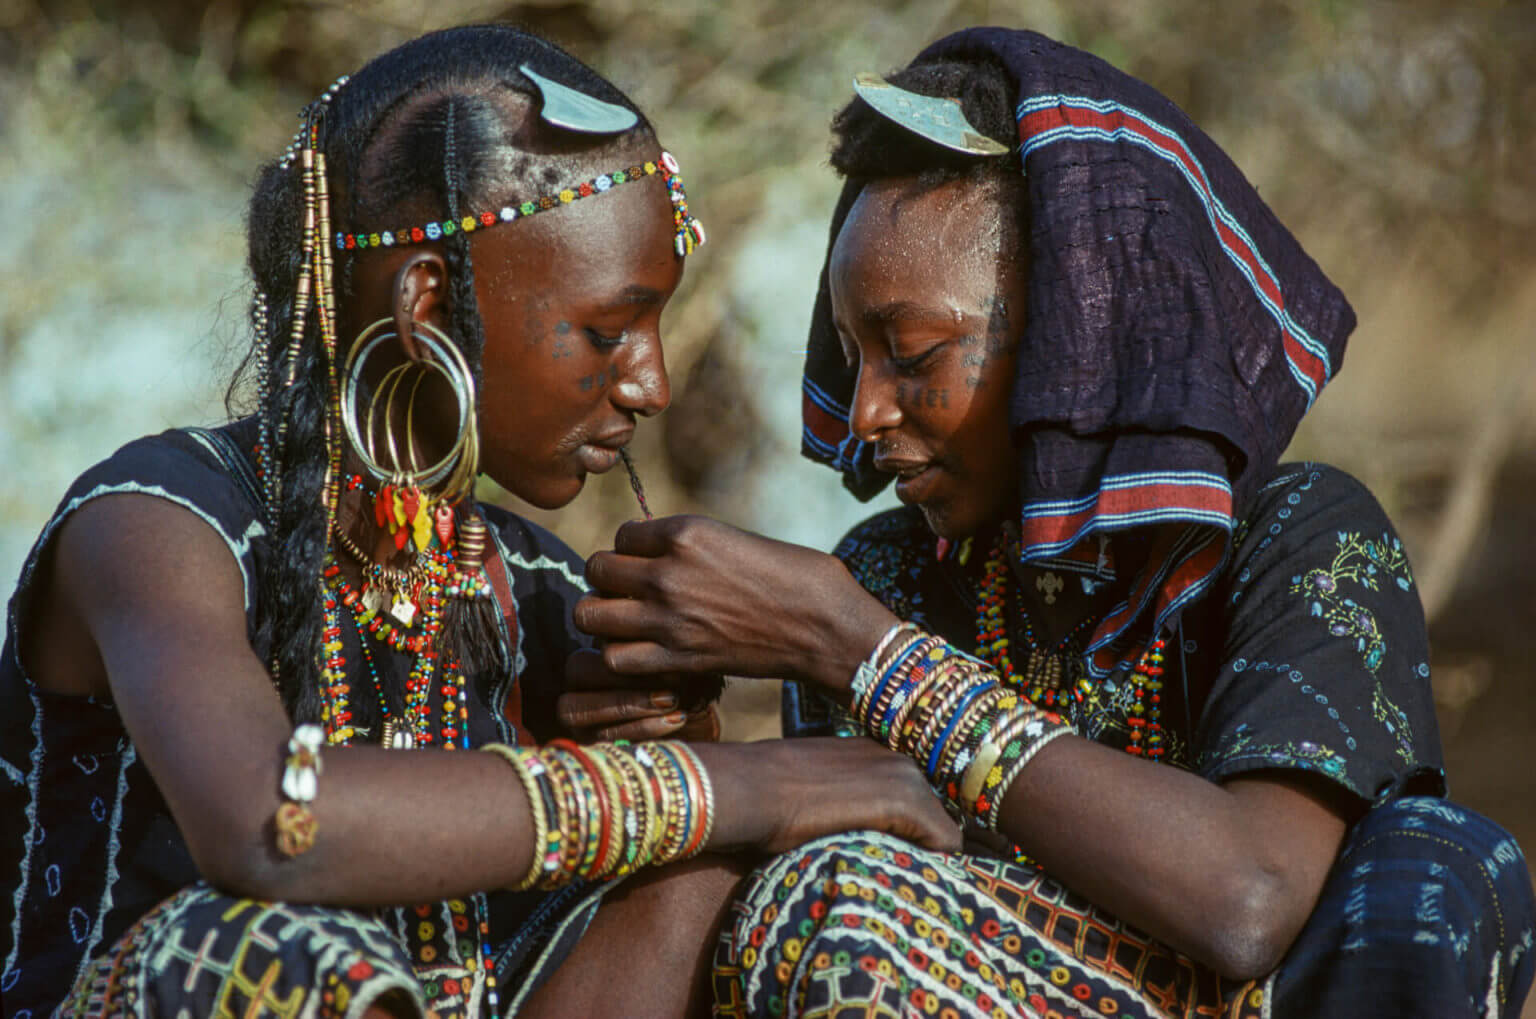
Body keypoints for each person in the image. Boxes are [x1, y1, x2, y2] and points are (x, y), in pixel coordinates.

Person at [0, 25, 962, 1019]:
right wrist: (738, 779)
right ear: (427, 306)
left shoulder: (537, 589)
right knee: (258, 945)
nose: (652, 383)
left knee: (711, 862)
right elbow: (275, 822)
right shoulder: (158, 524)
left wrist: (666, 751)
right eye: (606, 328)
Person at [575, 27, 1536, 1017]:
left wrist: (859, 648)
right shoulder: (891, 572)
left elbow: (1246, 900)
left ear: (1074, 336)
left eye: (911, 355)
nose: (864, 411)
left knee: (1441, 864)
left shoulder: (1304, 540)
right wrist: (687, 730)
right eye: (851, 353)